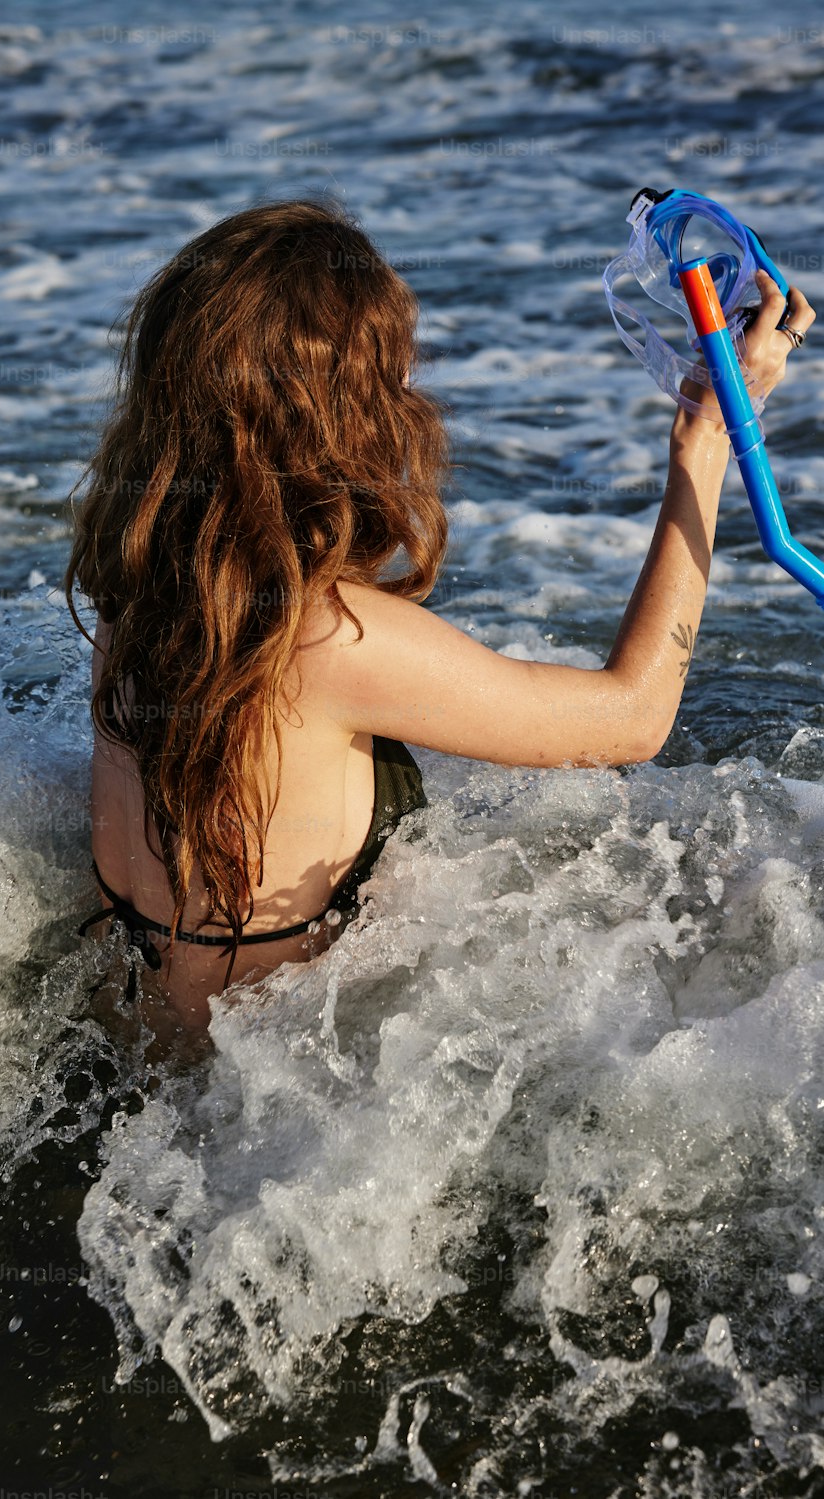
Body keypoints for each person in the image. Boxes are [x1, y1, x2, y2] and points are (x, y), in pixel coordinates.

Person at [65, 197, 815, 1038]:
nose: (408, 396)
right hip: (271, 1122)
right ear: (338, 415)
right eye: (389, 377)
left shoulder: (139, 595)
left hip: (127, 1059)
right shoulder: (330, 640)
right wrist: (704, 441)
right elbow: (635, 718)